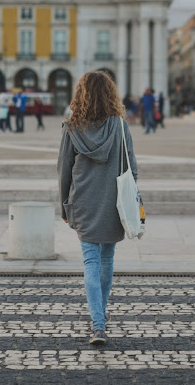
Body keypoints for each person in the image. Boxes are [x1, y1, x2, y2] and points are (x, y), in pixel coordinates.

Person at [57, 70, 138, 346]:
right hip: (112, 203)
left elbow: (64, 172)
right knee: (106, 259)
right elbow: (132, 168)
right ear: (109, 94)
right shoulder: (119, 125)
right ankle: (100, 318)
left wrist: (64, 207)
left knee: (91, 261)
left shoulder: (72, 127)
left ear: (80, 95)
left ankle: (98, 322)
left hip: (83, 201)